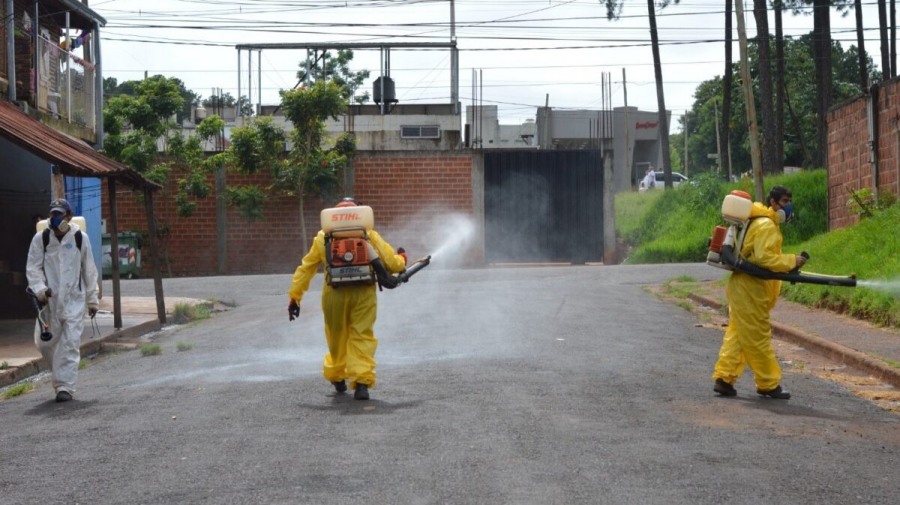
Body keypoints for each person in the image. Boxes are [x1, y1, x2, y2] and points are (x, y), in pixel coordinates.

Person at [287, 197, 408, 400]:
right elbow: (392, 264)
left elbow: (305, 269)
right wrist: (402, 259)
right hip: (363, 293)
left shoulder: (323, 237)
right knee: (362, 335)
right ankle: (361, 383)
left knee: (336, 337)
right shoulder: (367, 235)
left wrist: (295, 297)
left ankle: (337, 376)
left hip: (333, 295)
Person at [712, 185, 805, 399]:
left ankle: (724, 379)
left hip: (741, 286)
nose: (788, 206)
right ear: (772, 202)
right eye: (784, 201)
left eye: (789, 201)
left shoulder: (751, 220)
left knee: (738, 334)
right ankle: (768, 383)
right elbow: (765, 259)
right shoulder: (766, 225)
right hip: (751, 288)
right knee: (758, 337)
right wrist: (792, 261)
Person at [26, 198, 100, 402]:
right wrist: (40, 289)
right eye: (52, 214)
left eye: (59, 214)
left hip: (74, 301)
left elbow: (89, 269)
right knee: (43, 344)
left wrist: (92, 299)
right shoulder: (41, 239)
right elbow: (33, 268)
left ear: (68, 216)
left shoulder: (79, 238)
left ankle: (64, 387)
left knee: (69, 344)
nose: (55, 218)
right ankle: (59, 375)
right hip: (48, 303)